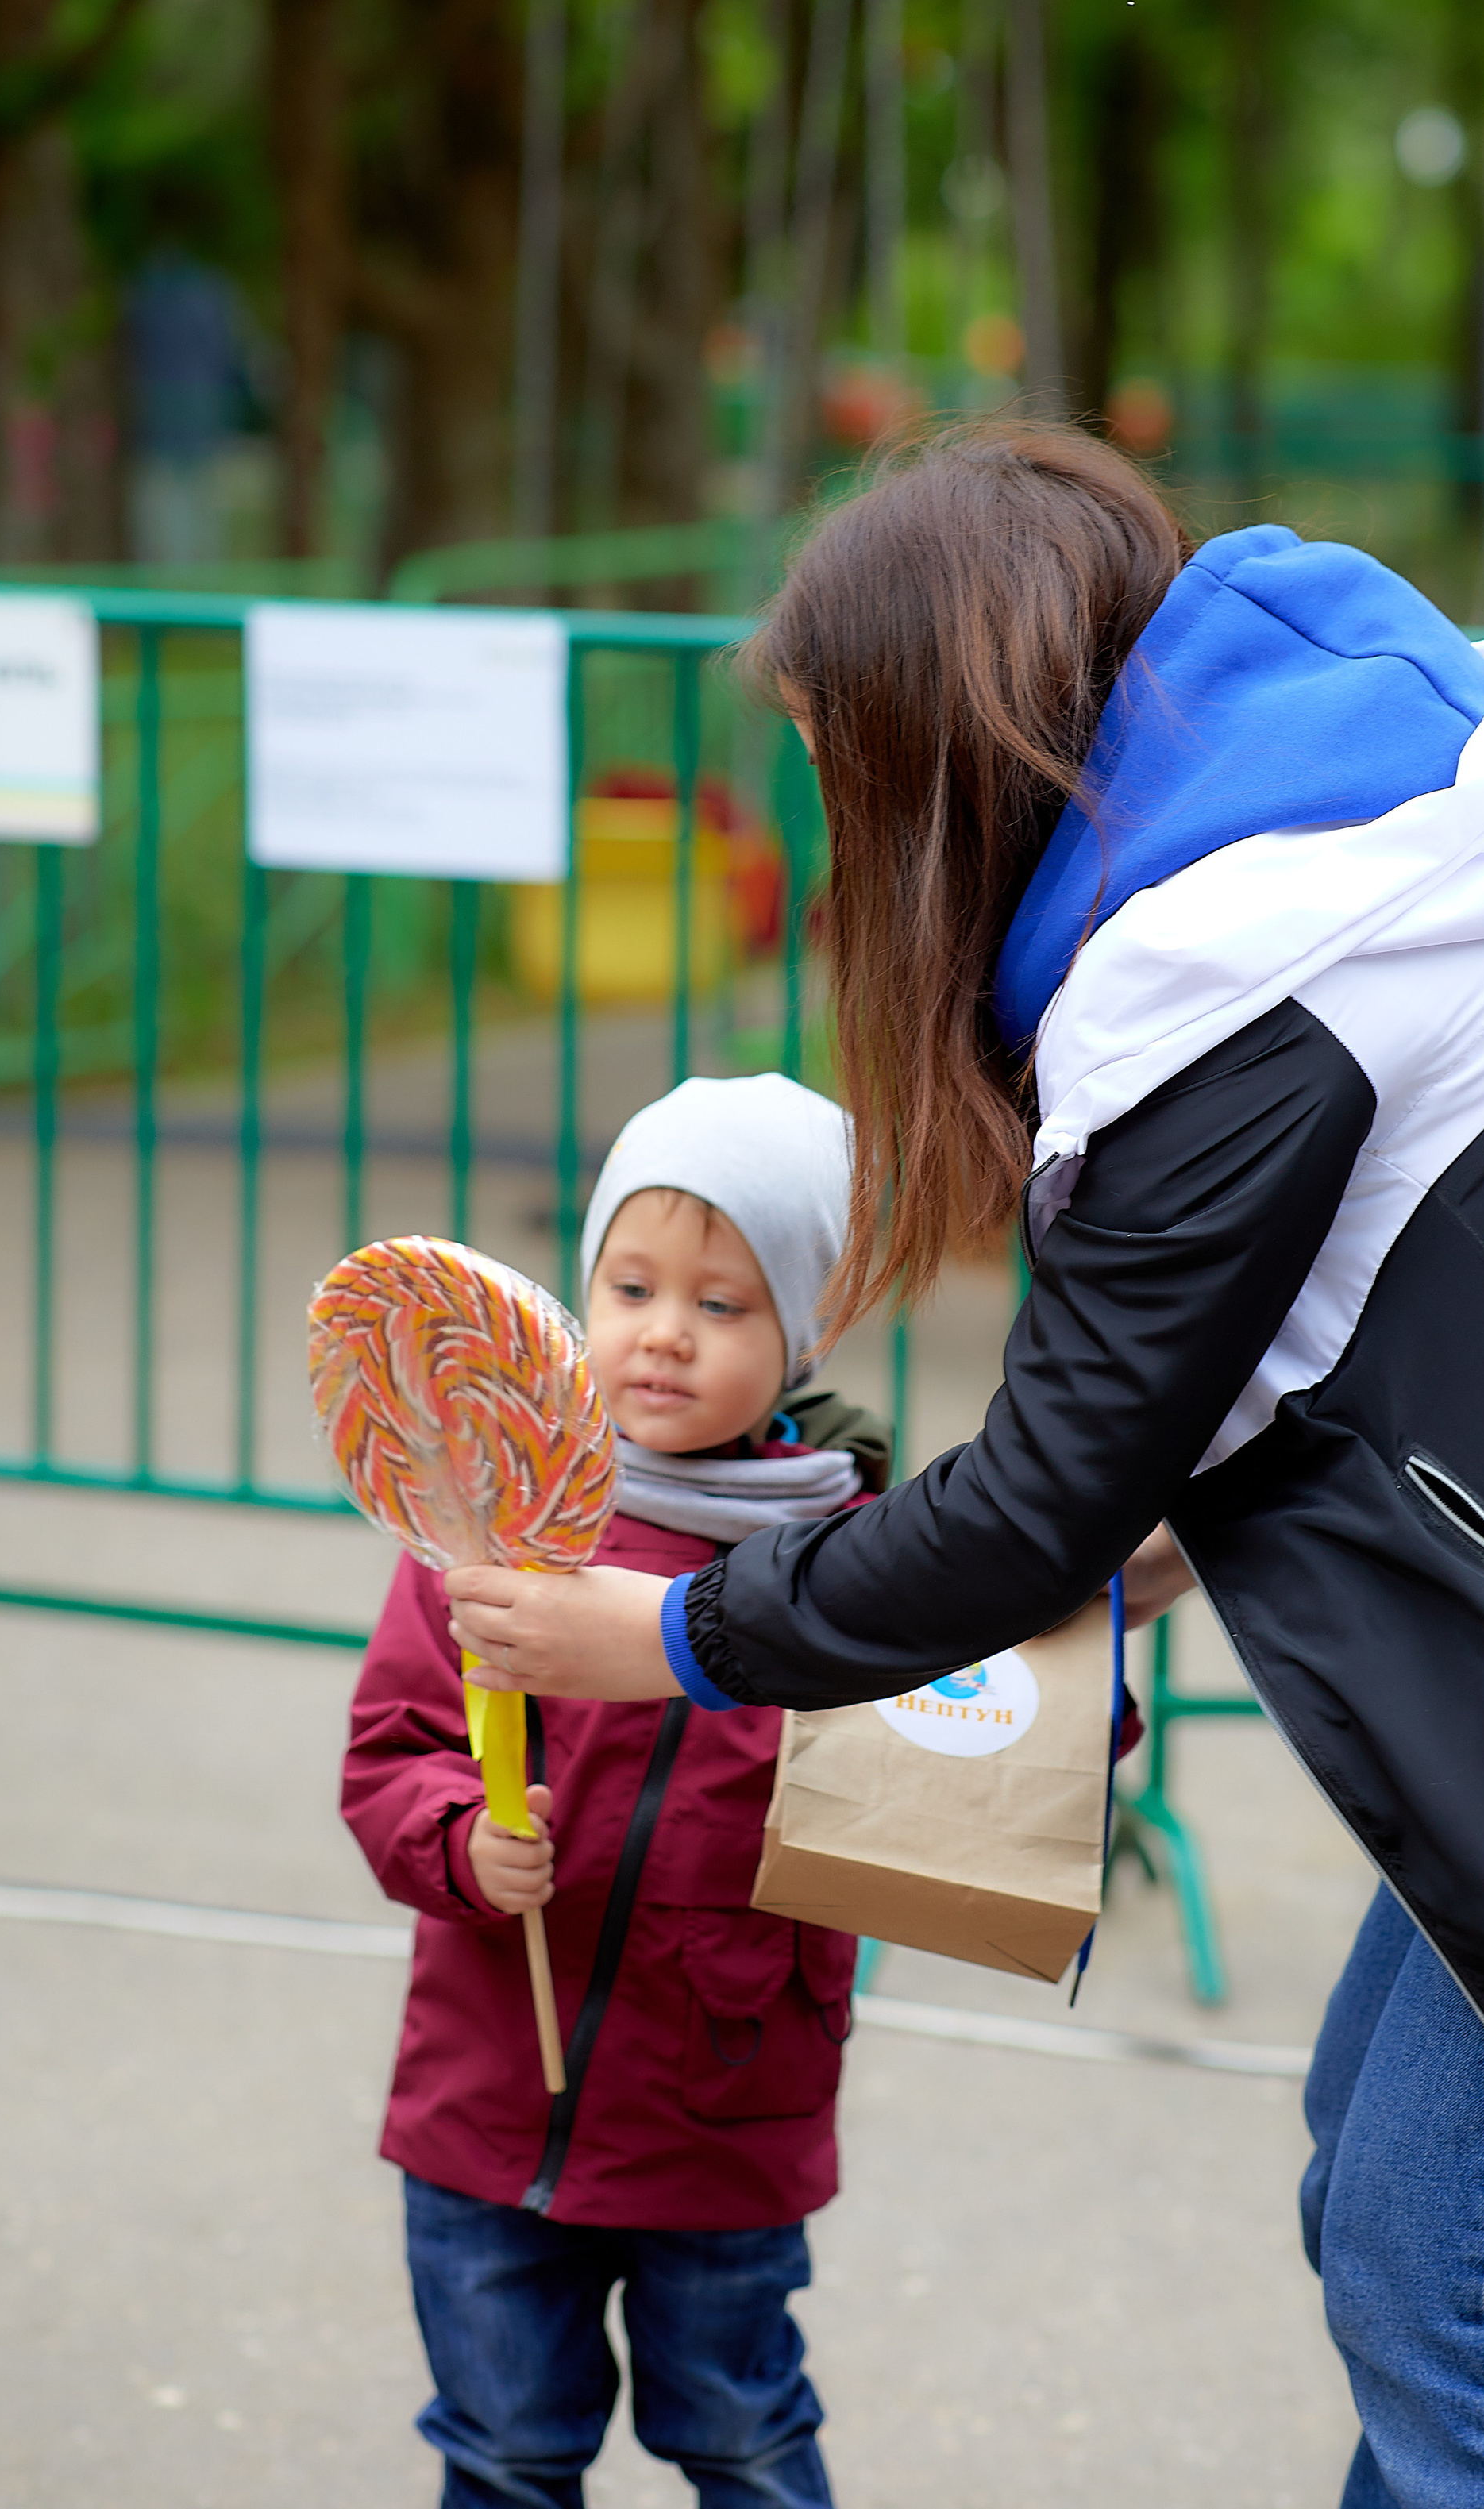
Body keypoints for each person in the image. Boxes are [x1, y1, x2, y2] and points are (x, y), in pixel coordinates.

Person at [447, 426, 1484, 2508]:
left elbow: (1036, 1502)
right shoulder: (1395, 805)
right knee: (1382, 2190)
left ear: (937, 758)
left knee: (1474, 2285)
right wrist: (1169, 1513)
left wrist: (672, 1633)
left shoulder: (1226, 986)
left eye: (842, 774)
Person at [342, 1073, 890, 2509]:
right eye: (631, 1286)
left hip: (724, 2105)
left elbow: (972, 1729)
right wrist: (459, 1840)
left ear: (806, 1329)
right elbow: (395, 1746)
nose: (663, 1332)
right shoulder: (489, 1511)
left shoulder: (859, 1556)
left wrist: (1079, 1674)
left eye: (723, 1302)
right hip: (486, 2103)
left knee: (746, 2437)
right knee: (504, 2451)